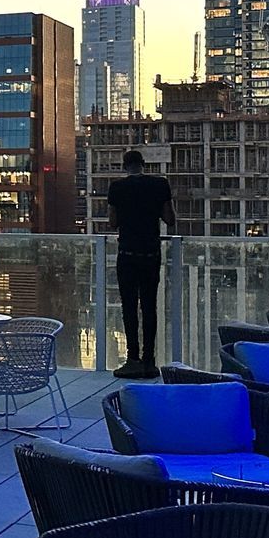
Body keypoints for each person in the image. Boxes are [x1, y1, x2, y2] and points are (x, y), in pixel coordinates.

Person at [106, 149, 175, 379]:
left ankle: (132, 359)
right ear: (143, 164)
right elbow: (170, 219)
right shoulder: (159, 185)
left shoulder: (117, 188)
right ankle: (149, 361)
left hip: (127, 253)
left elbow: (113, 222)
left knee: (129, 307)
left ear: (125, 167)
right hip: (151, 254)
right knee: (149, 307)